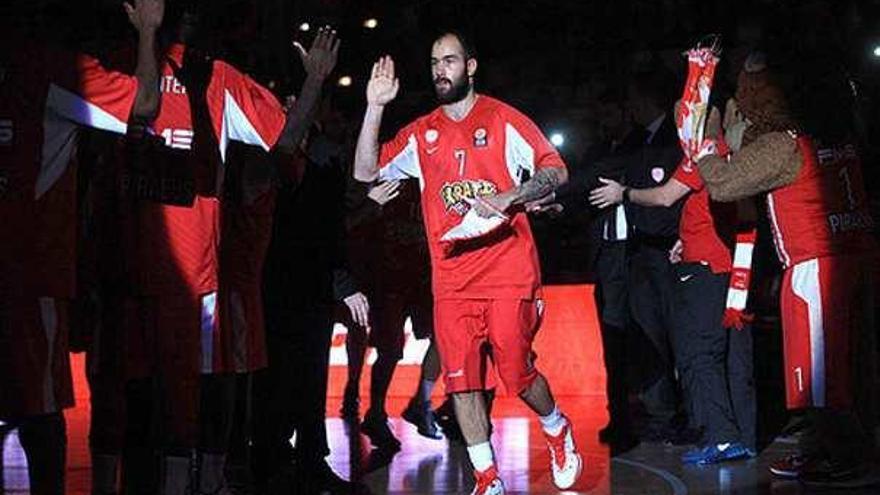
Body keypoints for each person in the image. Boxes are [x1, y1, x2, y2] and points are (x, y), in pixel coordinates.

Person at [115, 13, 339, 493]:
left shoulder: (219, 81)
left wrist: (315, 82)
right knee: (140, 396)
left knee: (213, 380)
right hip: (127, 271)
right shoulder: (118, 67)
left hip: (209, 278)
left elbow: (282, 147)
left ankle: (216, 475)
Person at [352, 31, 583, 493]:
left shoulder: (502, 119)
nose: (440, 69)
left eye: (450, 60)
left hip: (507, 272)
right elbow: (365, 171)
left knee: (517, 374)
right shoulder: (422, 133)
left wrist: (512, 194)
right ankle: (487, 476)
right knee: (460, 383)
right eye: (435, 61)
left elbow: (555, 169)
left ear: (470, 67)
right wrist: (375, 107)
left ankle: (556, 426)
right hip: (452, 279)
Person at [0, 2, 164, 493]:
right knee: (36, 407)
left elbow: (142, 106)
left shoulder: (51, 69)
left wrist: (148, 34)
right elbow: (145, 105)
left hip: (29, 278)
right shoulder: (49, 66)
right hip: (32, 278)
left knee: (37, 408)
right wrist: (149, 31)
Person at [694, 51, 878, 485]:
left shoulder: (782, 144)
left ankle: (847, 457)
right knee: (856, 367)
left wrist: (706, 144)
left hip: (817, 266)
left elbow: (722, 183)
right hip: (858, 256)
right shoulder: (843, 134)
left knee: (818, 376)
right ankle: (829, 449)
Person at [589, 93, 757, 464]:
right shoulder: (731, 153)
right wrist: (687, 235)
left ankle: (723, 438)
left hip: (706, 269)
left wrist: (625, 192)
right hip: (727, 264)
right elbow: (718, 208)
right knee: (733, 354)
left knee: (700, 353)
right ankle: (743, 433)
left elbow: (666, 197)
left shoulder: (706, 153)